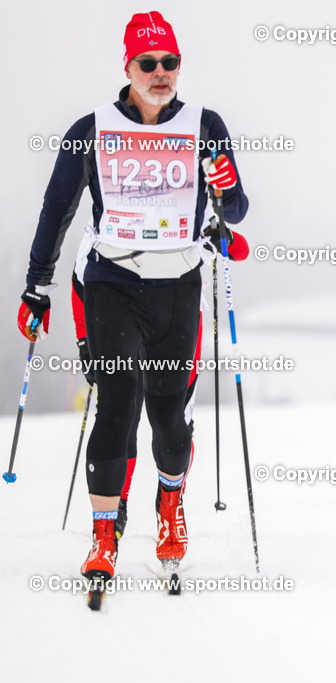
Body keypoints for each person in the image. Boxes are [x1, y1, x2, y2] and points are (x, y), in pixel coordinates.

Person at [18, 11, 249, 584]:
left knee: (169, 418)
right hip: (112, 283)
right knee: (117, 403)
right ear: (127, 66)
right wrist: (36, 285)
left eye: (170, 62)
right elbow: (58, 209)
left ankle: (170, 505)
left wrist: (227, 191)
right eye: (148, 63)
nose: (161, 73)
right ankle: (103, 534)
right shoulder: (91, 128)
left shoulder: (206, 124)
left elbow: (237, 208)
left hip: (178, 286)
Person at [70, 220, 249, 539]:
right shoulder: (110, 215)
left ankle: (171, 500)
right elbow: (79, 279)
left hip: (179, 328)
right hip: (122, 324)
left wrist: (225, 235)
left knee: (176, 421)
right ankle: (117, 503)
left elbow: (239, 251)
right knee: (122, 417)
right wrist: (85, 343)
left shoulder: (192, 209)